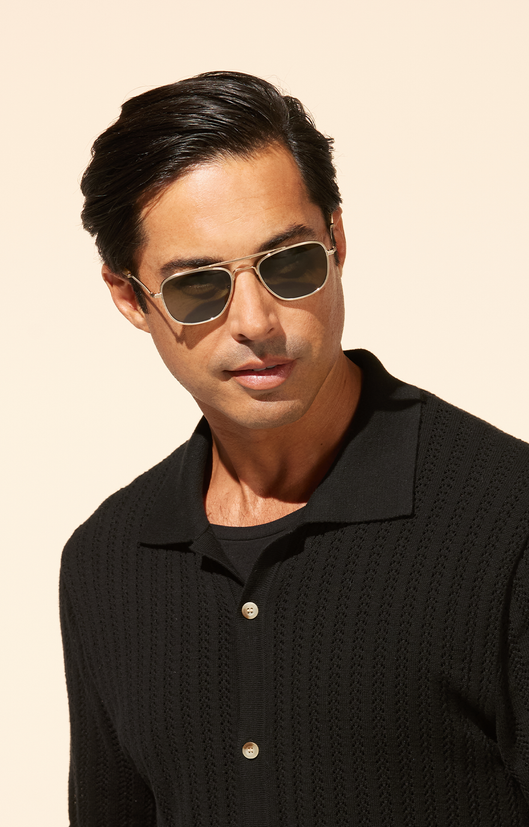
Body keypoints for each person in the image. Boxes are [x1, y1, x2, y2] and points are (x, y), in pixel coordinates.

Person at [60, 71, 529, 826]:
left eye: (289, 263)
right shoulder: (109, 558)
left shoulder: (508, 521)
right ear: (129, 297)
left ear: (337, 240)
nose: (255, 320)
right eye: (197, 285)